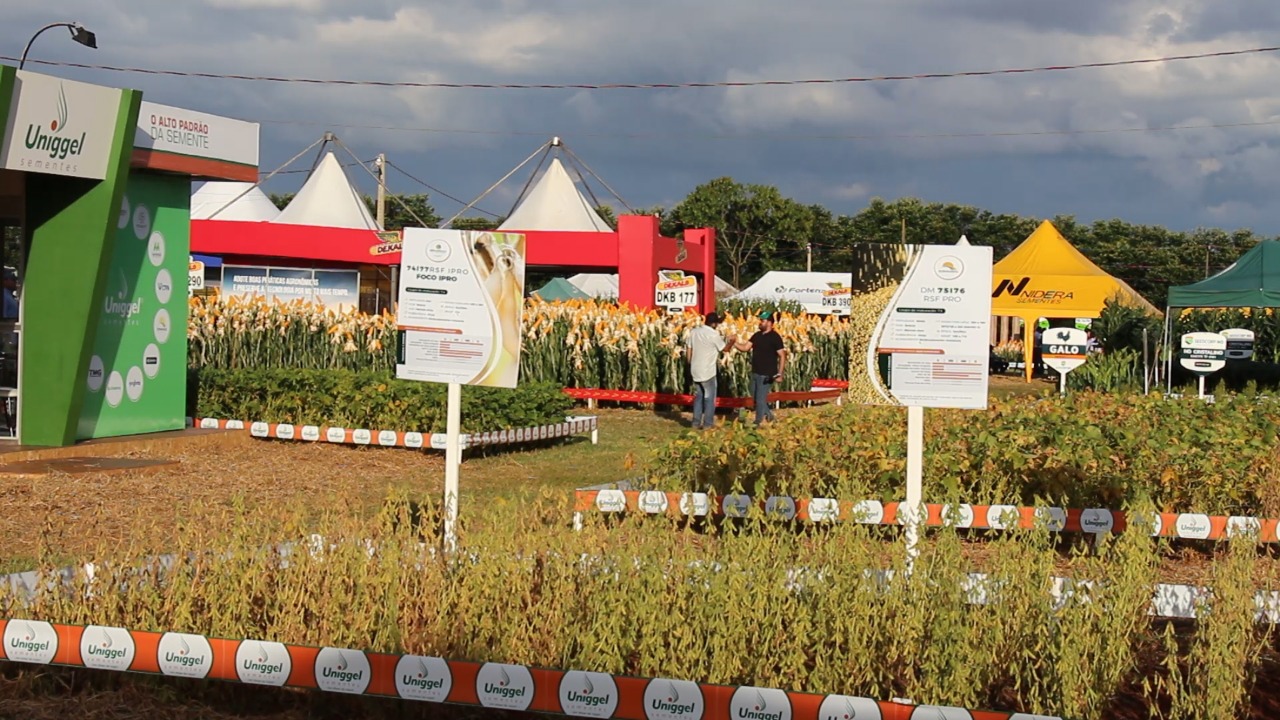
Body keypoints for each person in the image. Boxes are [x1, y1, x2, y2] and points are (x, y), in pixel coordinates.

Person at [734, 311, 787, 425]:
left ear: (769, 322)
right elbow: (745, 348)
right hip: (756, 371)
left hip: (767, 374)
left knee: (760, 399)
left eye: (762, 321)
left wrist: (780, 373)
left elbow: (782, 355)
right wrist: (734, 343)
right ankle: (770, 417)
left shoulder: (775, 337)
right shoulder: (757, 335)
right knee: (756, 398)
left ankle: (758, 422)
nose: (759, 323)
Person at [685, 311, 735, 429]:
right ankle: (707, 424)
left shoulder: (694, 331)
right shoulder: (713, 335)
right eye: (717, 323)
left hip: (695, 369)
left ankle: (695, 423)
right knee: (709, 398)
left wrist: (689, 364)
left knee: (699, 397)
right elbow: (725, 349)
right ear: (713, 324)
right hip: (707, 371)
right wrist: (732, 341)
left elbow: (689, 349)